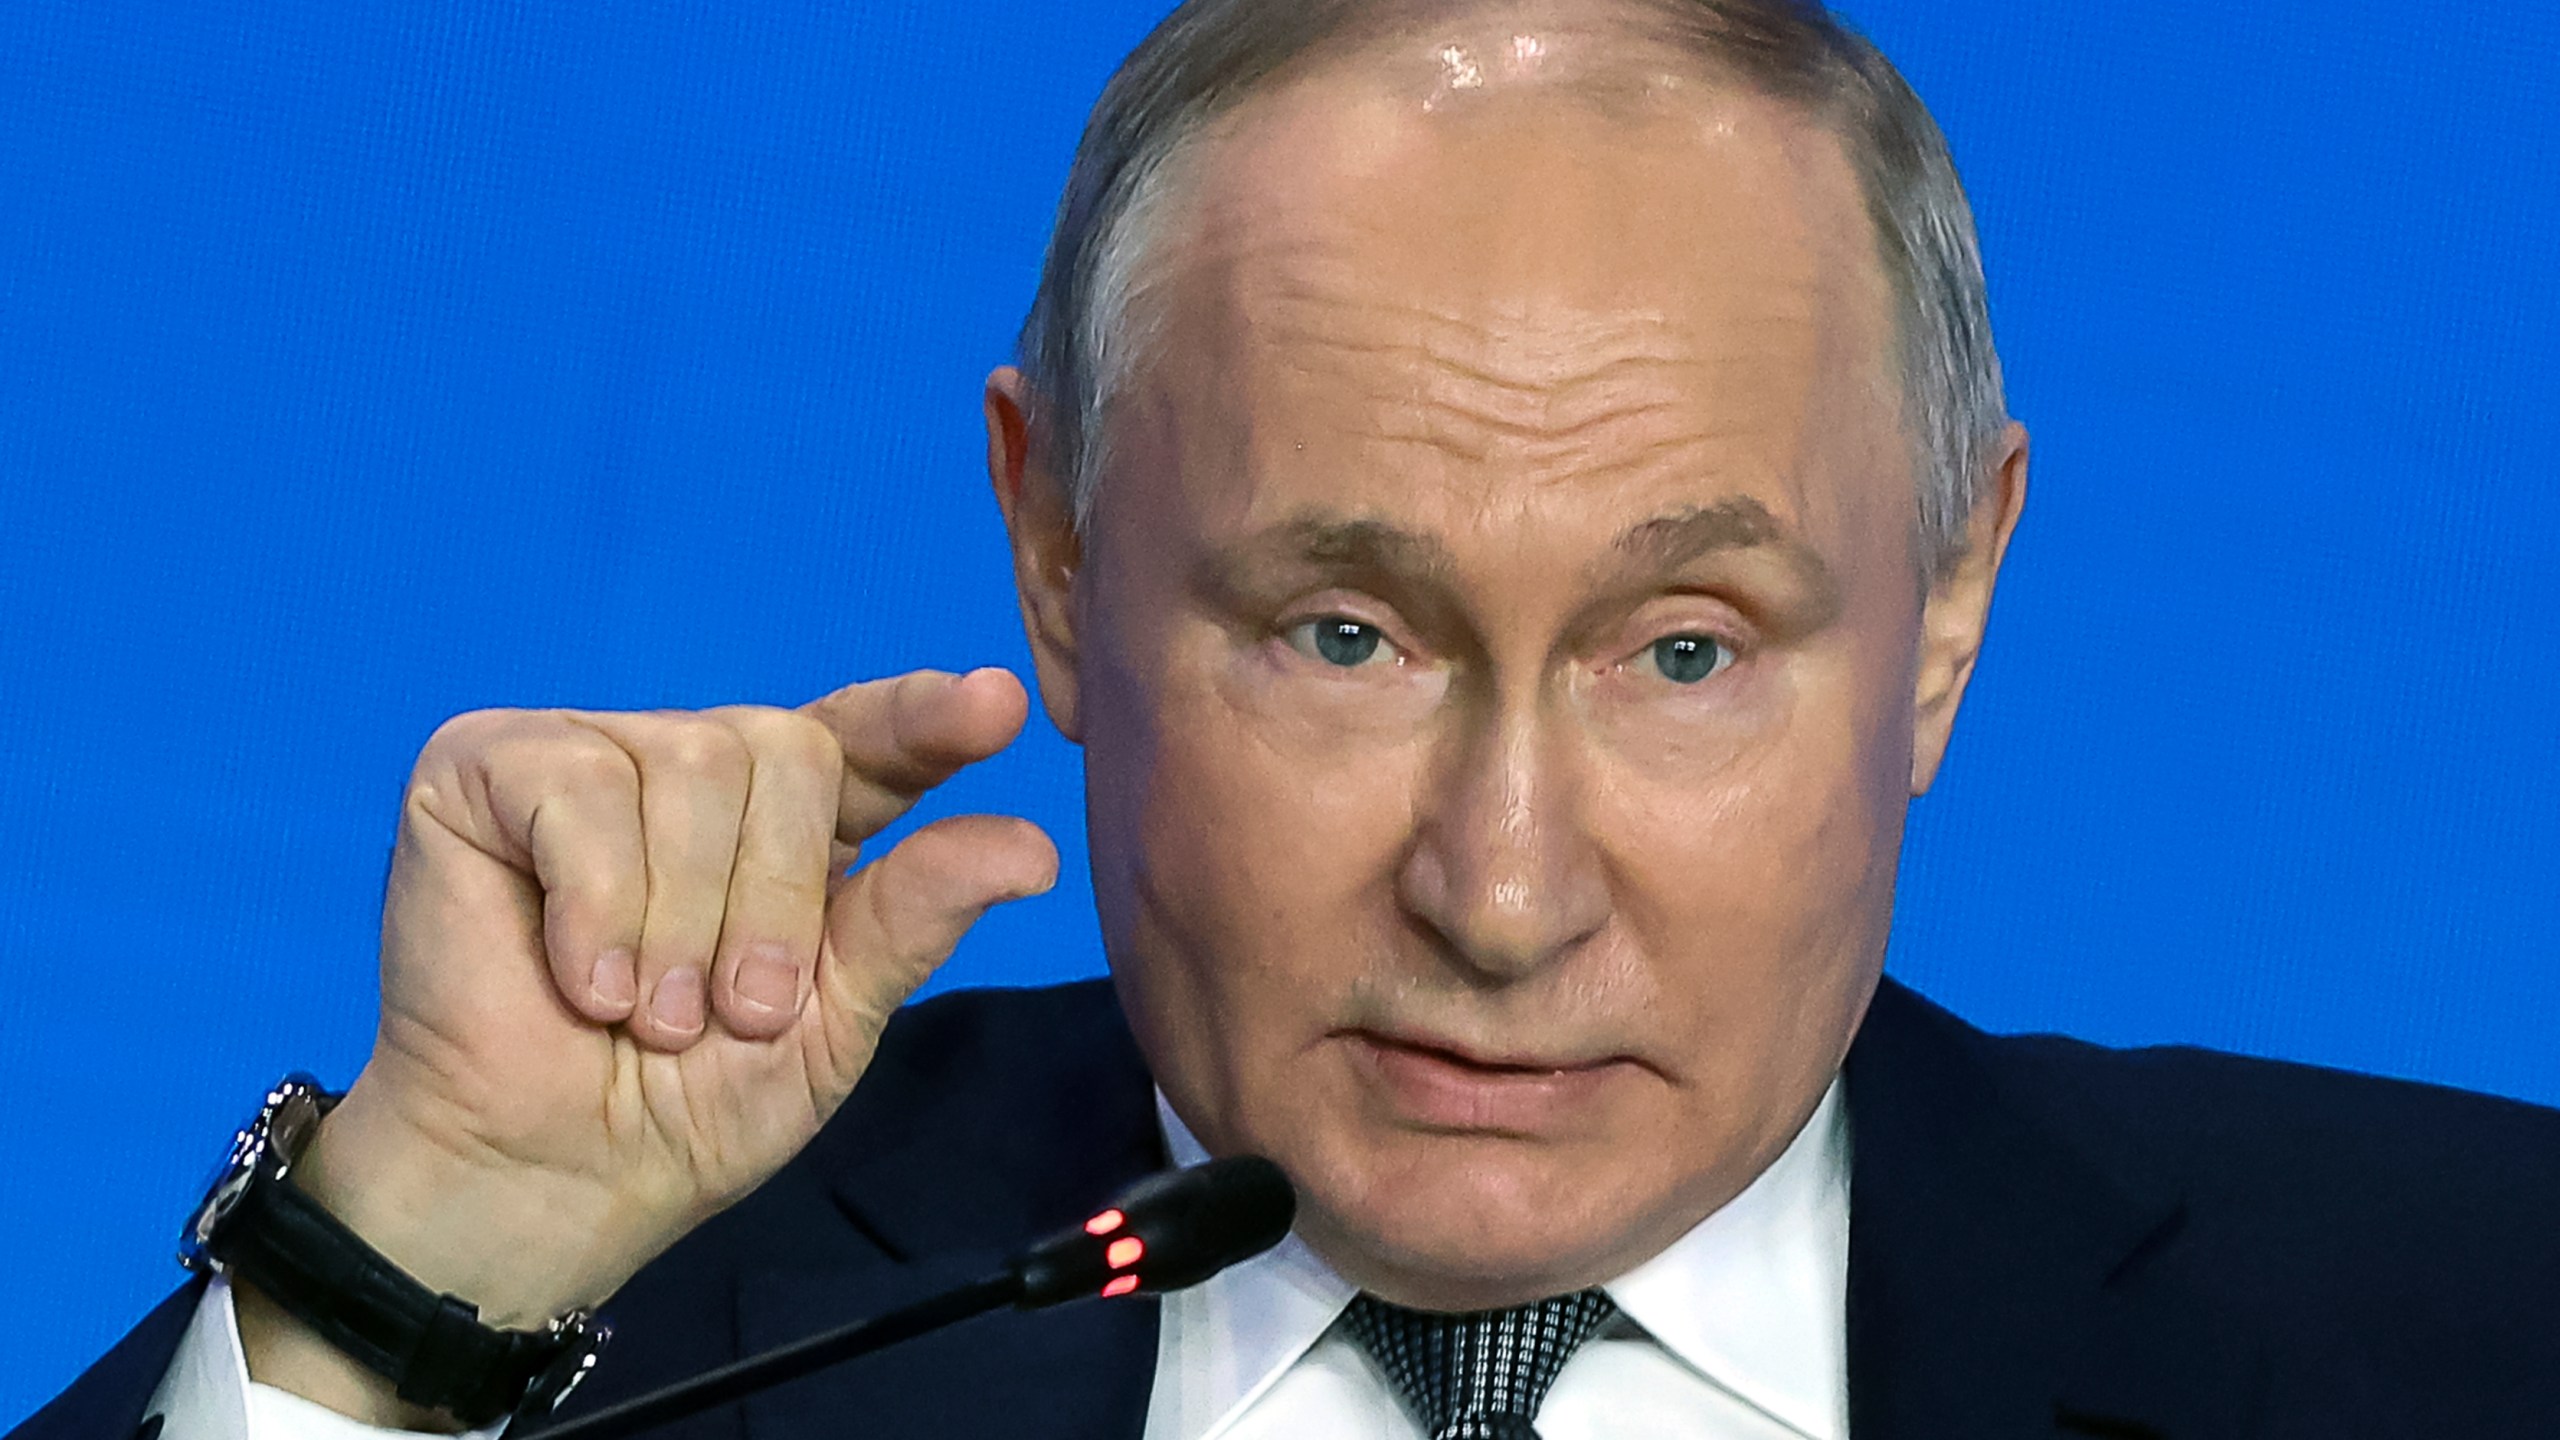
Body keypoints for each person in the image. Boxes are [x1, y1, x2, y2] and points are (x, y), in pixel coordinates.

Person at [18, 0, 2560, 1437]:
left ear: (1947, 605)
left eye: (1683, 650)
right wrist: (405, 1298)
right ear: (1053, 538)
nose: (1502, 889)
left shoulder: (2475, 1322)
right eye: (1343, 635)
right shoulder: (610, 1332)